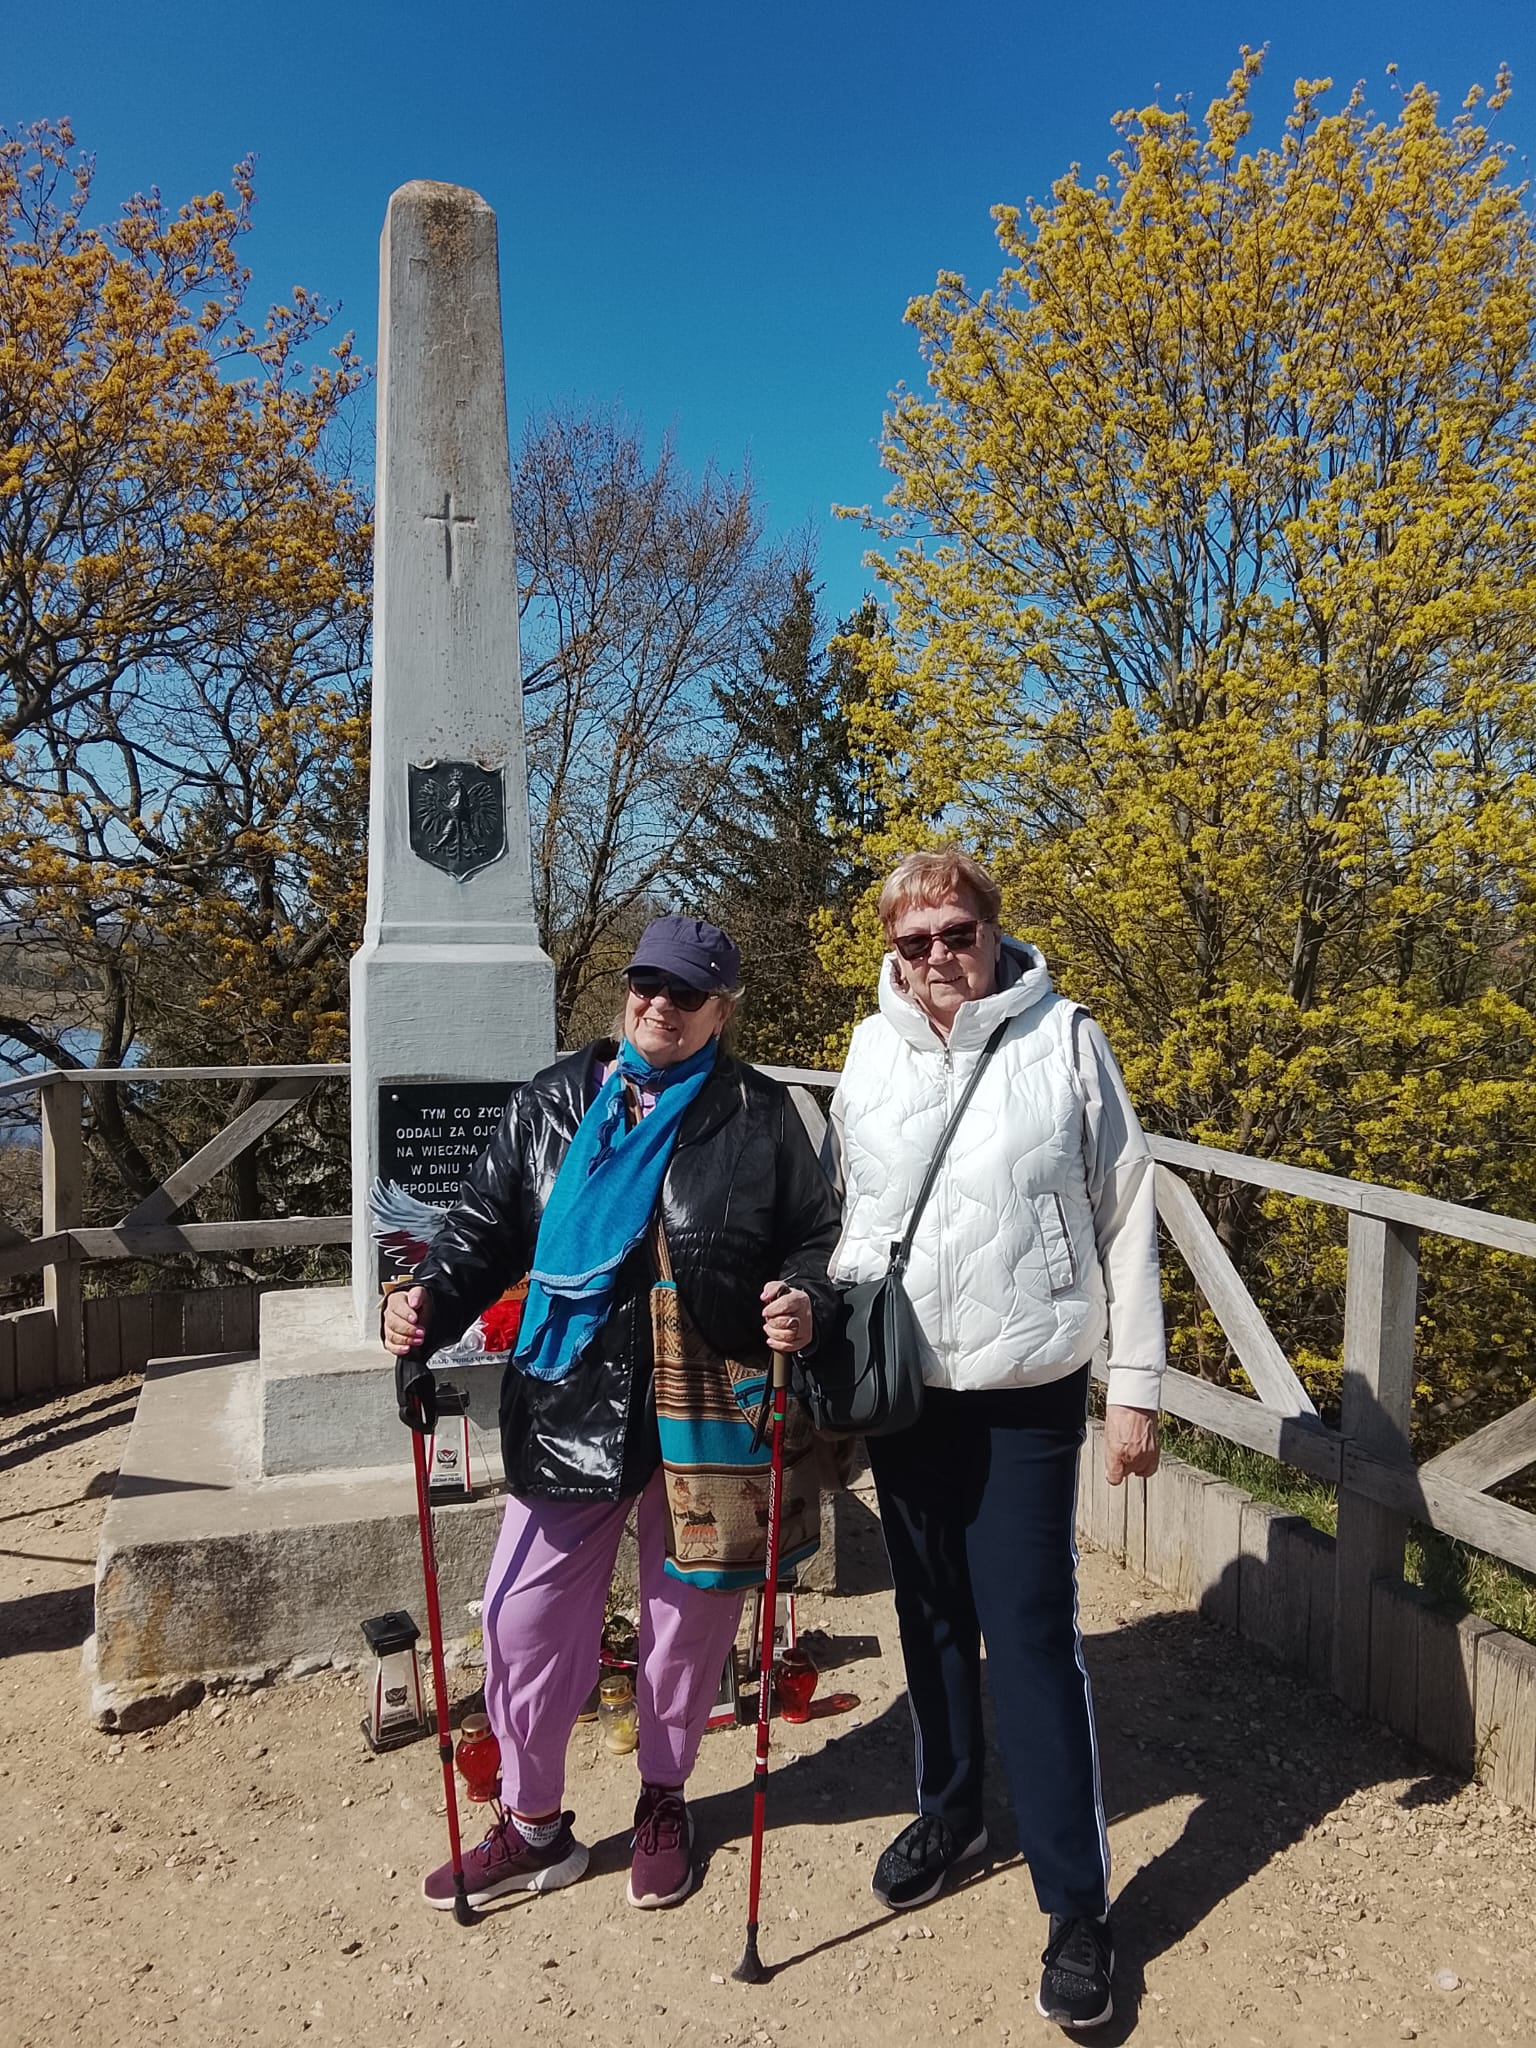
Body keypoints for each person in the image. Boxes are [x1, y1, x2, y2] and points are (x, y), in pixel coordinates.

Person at [382, 915, 840, 1913]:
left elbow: (816, 1235)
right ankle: (533, 1824)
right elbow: (482, 1228)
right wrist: (424, 1309)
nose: (659, 1004)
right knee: (523, 1614)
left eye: (685, 992)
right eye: (646, 983)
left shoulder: (758, 1112)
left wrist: (805, 1297)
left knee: (687, 1620)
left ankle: (664, 1796)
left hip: (710, 1394)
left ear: (721, 1010)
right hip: (572, 1393)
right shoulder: (554, 1100)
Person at [827, 850, 1163, 2031]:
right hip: (909, 1387)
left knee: (1027, 1635)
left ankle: (1077, 1904)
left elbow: (1127, 1205)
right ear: (892, 947)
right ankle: (952, 1810)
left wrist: (1136, 1384)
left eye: (956, 931)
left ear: (993, 928)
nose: (937, 956)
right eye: (913, 939)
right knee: (927, 1611)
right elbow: (849, 1213)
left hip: (1027, 1384)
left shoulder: (1066, 1038)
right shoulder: (868, 1050)